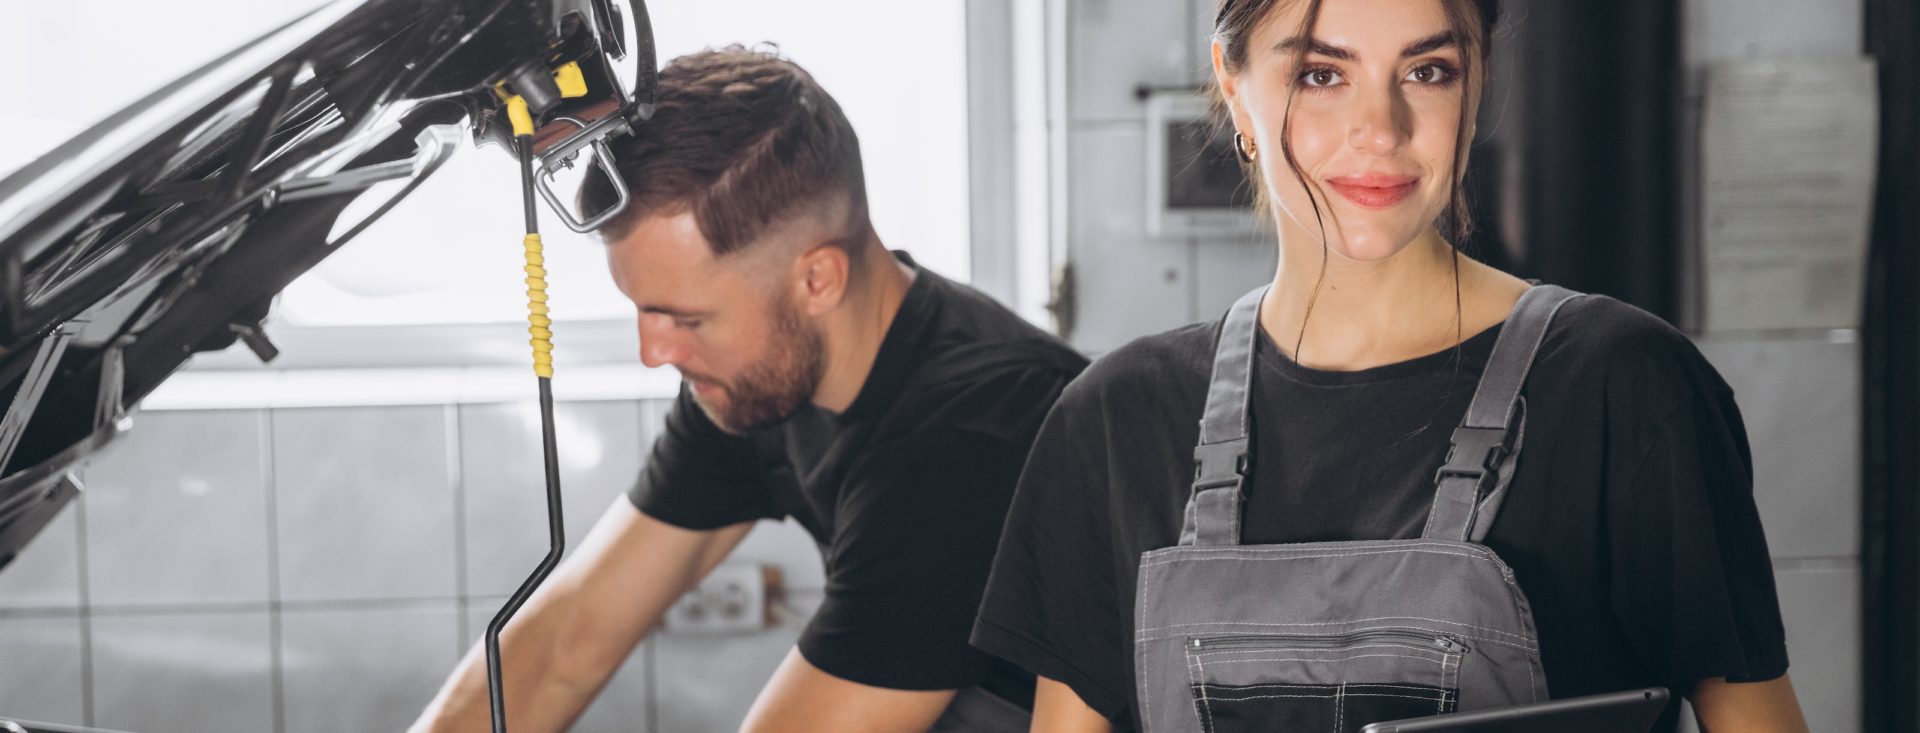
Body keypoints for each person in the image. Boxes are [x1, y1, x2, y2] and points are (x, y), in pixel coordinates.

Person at [969, 1, 1811, 732]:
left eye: (1429, 70)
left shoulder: (1624, 386)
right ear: (1233, 87)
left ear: (1476, 82)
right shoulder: (1116, 420)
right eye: (1321, 74)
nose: (1381, 129)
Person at [412, 45, 1085, 733]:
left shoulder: (971, 440)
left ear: (817, 279)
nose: (654, 352)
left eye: (687, 318)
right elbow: (568, 640)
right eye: (644, 309)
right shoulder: (755, 379)